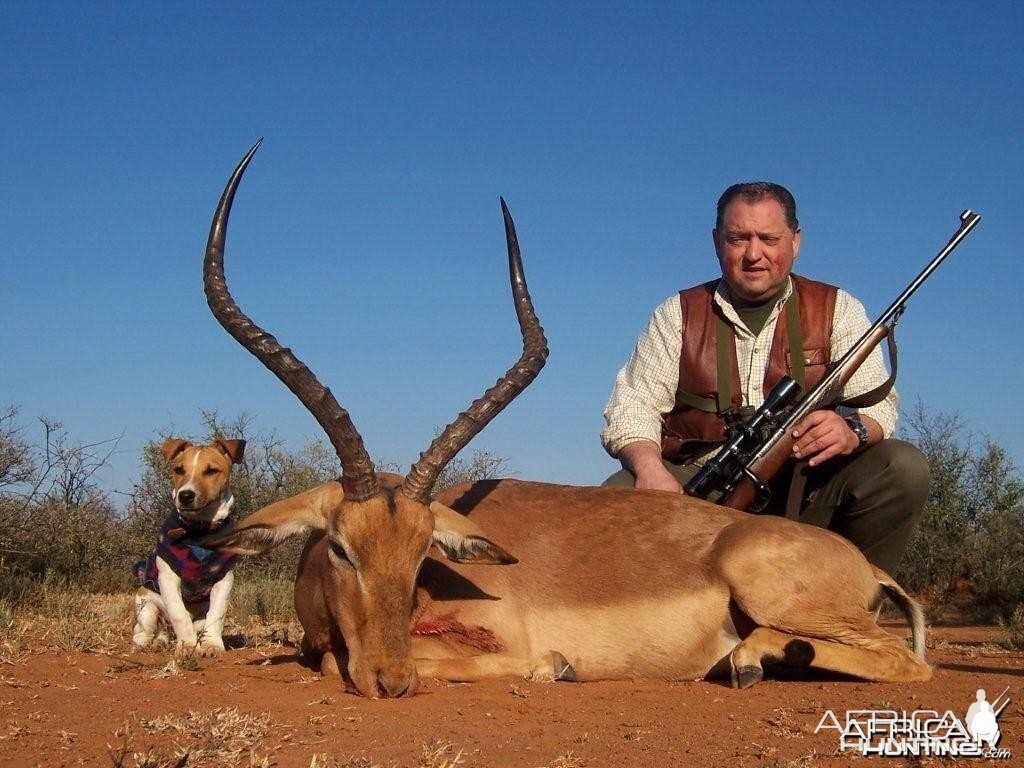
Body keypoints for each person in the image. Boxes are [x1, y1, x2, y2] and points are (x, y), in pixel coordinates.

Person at [601, 182, 929, 574]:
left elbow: (877, 404)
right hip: (702, 490)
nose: (753, 254)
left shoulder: (837, 309)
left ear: (795, 241)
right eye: (738, 238)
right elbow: (632, 407)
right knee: (616, 496)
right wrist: (651, 470)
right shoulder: (677, 314)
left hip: (804, 488)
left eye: (768, 238)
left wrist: (851, 430)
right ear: (716, 241)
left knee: (902, 467)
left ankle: (854, 611)